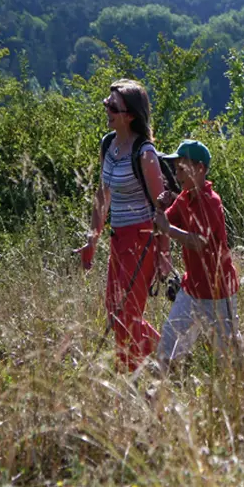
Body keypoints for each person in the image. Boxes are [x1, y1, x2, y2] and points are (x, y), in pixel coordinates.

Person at [76, 79, 169, 371]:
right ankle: (165, 357)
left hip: (143, 240)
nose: (107, 109)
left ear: (129, 115)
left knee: (127, 313)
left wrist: (164, 254)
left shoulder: (145, 153)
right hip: (118, 239)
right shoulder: (108, 144)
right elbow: (102, 196)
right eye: (107, 103)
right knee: (115, 312)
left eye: (113, 107)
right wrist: (92, 240)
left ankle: (142, 372)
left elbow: (162, 207)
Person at [155, 140, 243, 372]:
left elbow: (199, 241)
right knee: (168, 345)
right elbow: (162, 222)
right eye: (176, 169)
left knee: (229, 358)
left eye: (182, 169)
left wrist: (168, 229)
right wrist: (160, 207)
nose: (177, 175)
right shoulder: (184, 198)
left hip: (219, 293)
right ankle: (163, 388)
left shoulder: (211, 201)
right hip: (191, 289)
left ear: (200, 169)